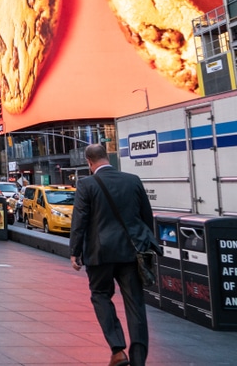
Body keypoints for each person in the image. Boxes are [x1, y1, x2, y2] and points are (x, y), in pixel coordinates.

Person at [70, 144, 158, 366]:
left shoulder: (86, 184)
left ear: (89, 163)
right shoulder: (133, 180)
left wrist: (75, 252)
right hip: (131, 252)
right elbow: (146, 218)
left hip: (100, 254)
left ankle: (118, 350)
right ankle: (139, 359)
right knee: (135, 304)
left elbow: (79, 221)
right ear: (107, 157)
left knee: (100, 295)